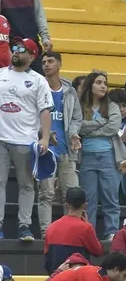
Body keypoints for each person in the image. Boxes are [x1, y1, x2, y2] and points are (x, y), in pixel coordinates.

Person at [0, 37, 52, 241]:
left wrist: (45, 138)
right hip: (1, 138)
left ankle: (24, 226)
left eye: (22, 49)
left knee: (27, 185)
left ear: (32, 55)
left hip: (25, 139)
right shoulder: (1, 74)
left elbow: (45, 111)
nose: (16, 51)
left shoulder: (39, 80)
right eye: (15, 47)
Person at [37, 51, 81, 239]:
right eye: (44, 62)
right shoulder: (37, 87)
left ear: (60, 64)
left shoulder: (69, 91)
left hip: (66, 150)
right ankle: (46, 233)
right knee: (45, 194)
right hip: (45, 150)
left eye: (50, 61)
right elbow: (30, 116)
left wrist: (73, 134)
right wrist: (44, 133)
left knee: (71, 195)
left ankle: (70, 233)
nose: (46, 64)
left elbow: (77, 117)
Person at [78, 70, 126, 239]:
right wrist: (100, 123)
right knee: (88, 199)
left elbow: (113, 127)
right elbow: (78, 127)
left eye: (105, 83)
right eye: (99, 82)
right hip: (87, 157)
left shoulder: (111, 105)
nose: (103, 86)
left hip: (108, 156)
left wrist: (89, 130)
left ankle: (112, 232)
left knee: (110, 197)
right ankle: (88, 232)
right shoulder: (80, 104)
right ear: (90, 85)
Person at [41, 186, 103, 274]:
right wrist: (88, 224)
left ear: (66, 205)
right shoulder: (86, 228)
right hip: (77, 279)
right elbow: (98, 251)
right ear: (85, 205)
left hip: (55, 278)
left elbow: (47, 261)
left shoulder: (51, 227)